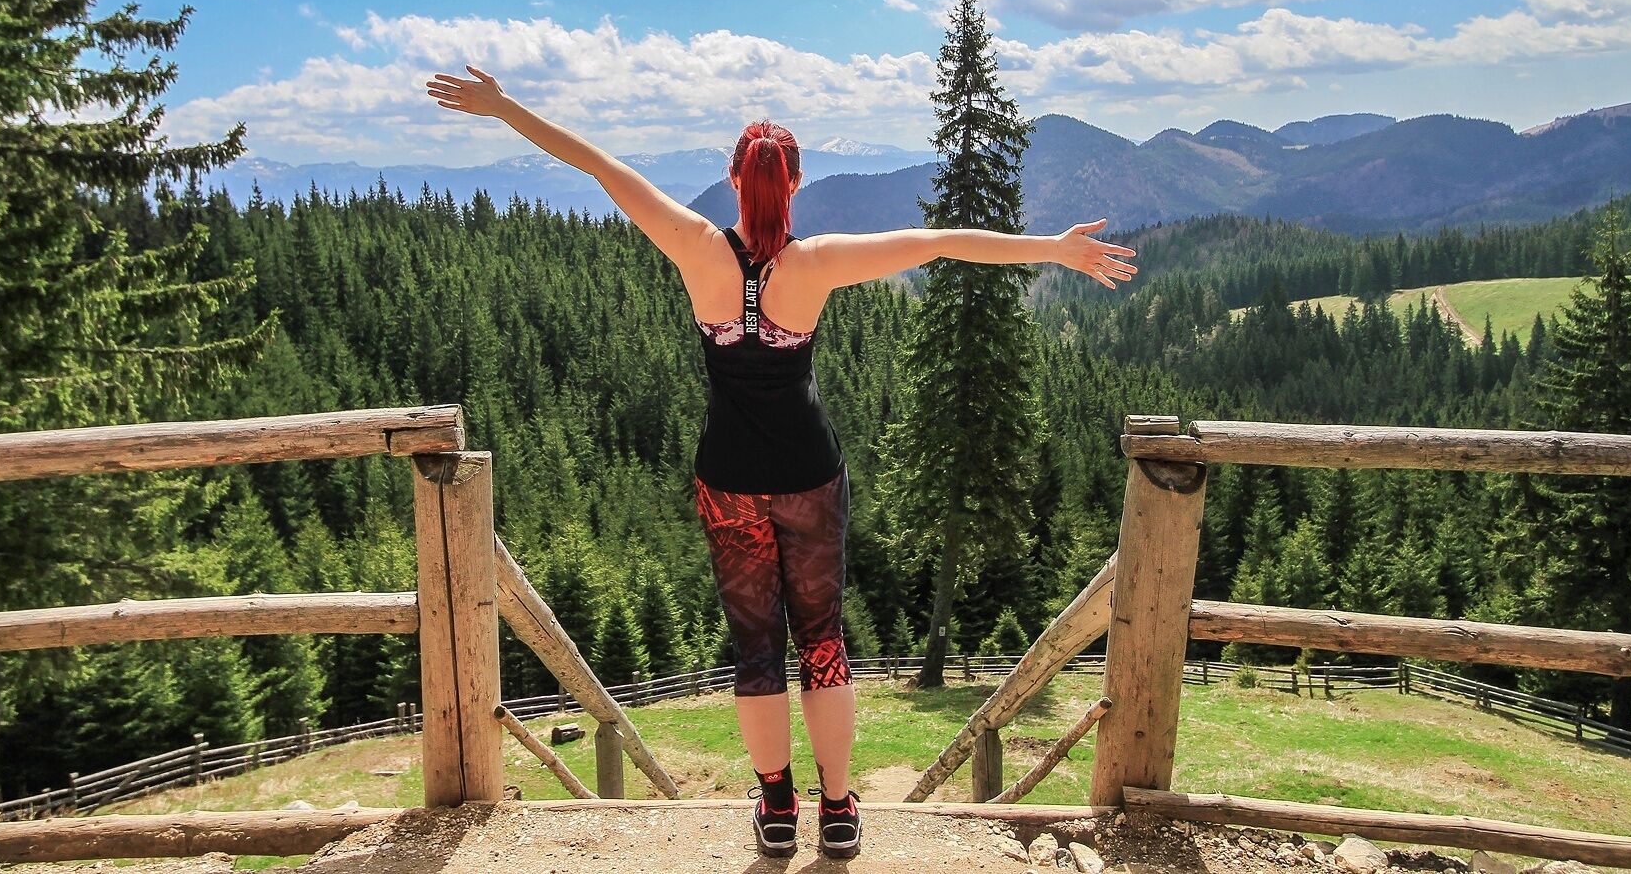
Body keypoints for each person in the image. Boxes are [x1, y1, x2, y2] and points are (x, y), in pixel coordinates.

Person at [424, 64, 1137, 859]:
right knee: (822, 639)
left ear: (733, 178)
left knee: (757, 646)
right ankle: (837, 808)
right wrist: (1056, 250)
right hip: (809, 474)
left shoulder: (696, 247)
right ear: (795, 182)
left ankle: (774, 807)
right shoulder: (818, 262)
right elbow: (940, 242)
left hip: (727, 476)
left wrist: (500, 106)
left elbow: (595, 162)